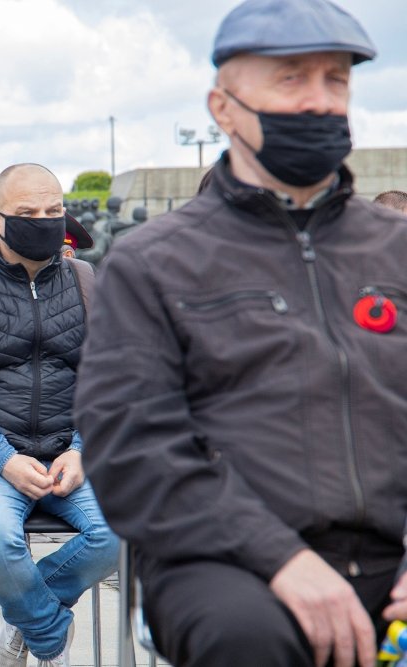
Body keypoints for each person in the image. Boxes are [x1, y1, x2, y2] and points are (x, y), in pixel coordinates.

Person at [73, 2, 407, 666]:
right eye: (291, 79)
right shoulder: (153, 264)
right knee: (248, 639)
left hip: (391, 551)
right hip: (226, 559)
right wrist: (281, 556)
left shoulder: (396, 250)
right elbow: (133, 447)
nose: (319, 101)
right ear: (222, 108)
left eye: (336, 81)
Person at [0, 163, 118, 667]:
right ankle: (50, 636)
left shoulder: (86, 282)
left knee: (124, 529)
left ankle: (23, 618)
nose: (45, 221)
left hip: (69, 456)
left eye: (54, 211)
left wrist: (81, 451)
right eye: (28, 213)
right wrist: (2, 459)